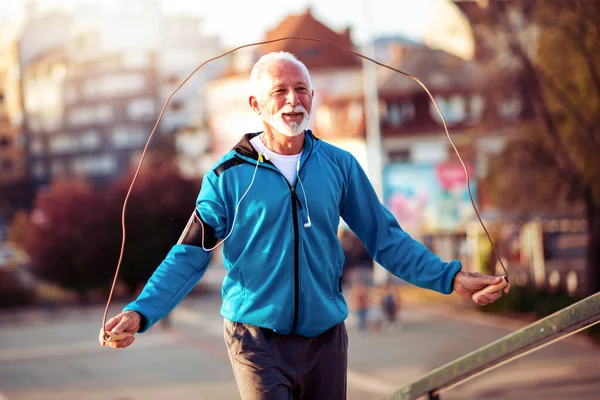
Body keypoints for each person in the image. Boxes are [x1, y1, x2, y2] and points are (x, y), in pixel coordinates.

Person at [100, 51, 510, 400]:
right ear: (257, 104)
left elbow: (384, 238)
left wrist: (451, 278)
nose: (292, 100)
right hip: (256, 340)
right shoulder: (227, 176)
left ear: (312, 97)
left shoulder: (339, 165)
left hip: (326, 340)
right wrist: (141, 312)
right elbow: (188, 255)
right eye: (279, 91)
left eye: (300, 90)